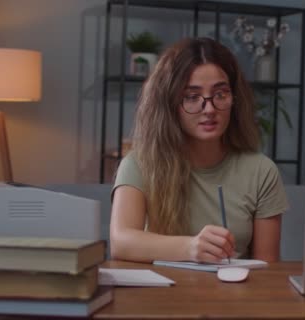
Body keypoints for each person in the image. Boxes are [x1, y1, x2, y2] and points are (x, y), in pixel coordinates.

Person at [110, 37, 288, 264]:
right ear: (170, 103)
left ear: (234, 99)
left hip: (234, 297)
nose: (210, 109)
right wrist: (190, 248)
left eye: (220, 94)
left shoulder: (262, 171)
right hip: (159, 296)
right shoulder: (138, 164)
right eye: (192, 97)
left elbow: (267, 270)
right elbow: (121, 242)